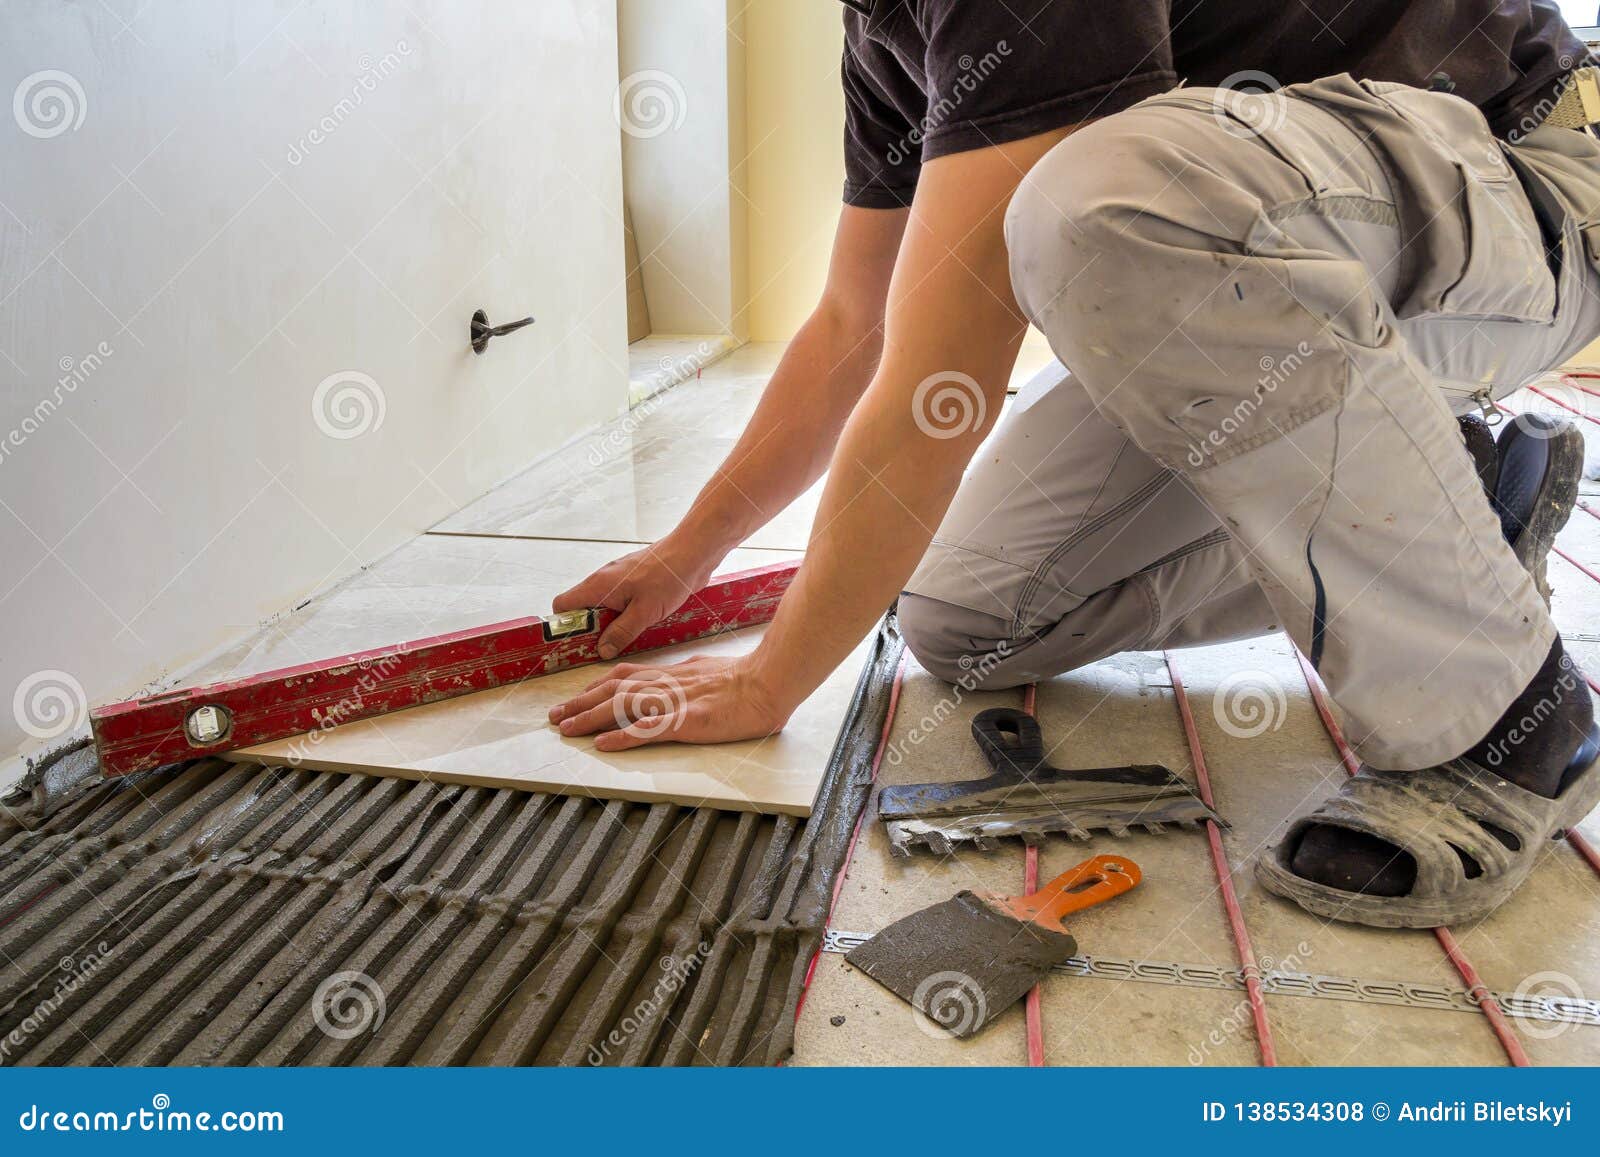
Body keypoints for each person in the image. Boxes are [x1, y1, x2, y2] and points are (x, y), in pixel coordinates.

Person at [550, 1, 1600, 928]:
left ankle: (1504, 718)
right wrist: (685, 557)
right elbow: (850, 326)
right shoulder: (887, 32)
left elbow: (935, 391)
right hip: (1328, 239)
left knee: (1104, 197)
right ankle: (1461, 508)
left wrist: (771, 679)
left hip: (1531, 185)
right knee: (965, 617)